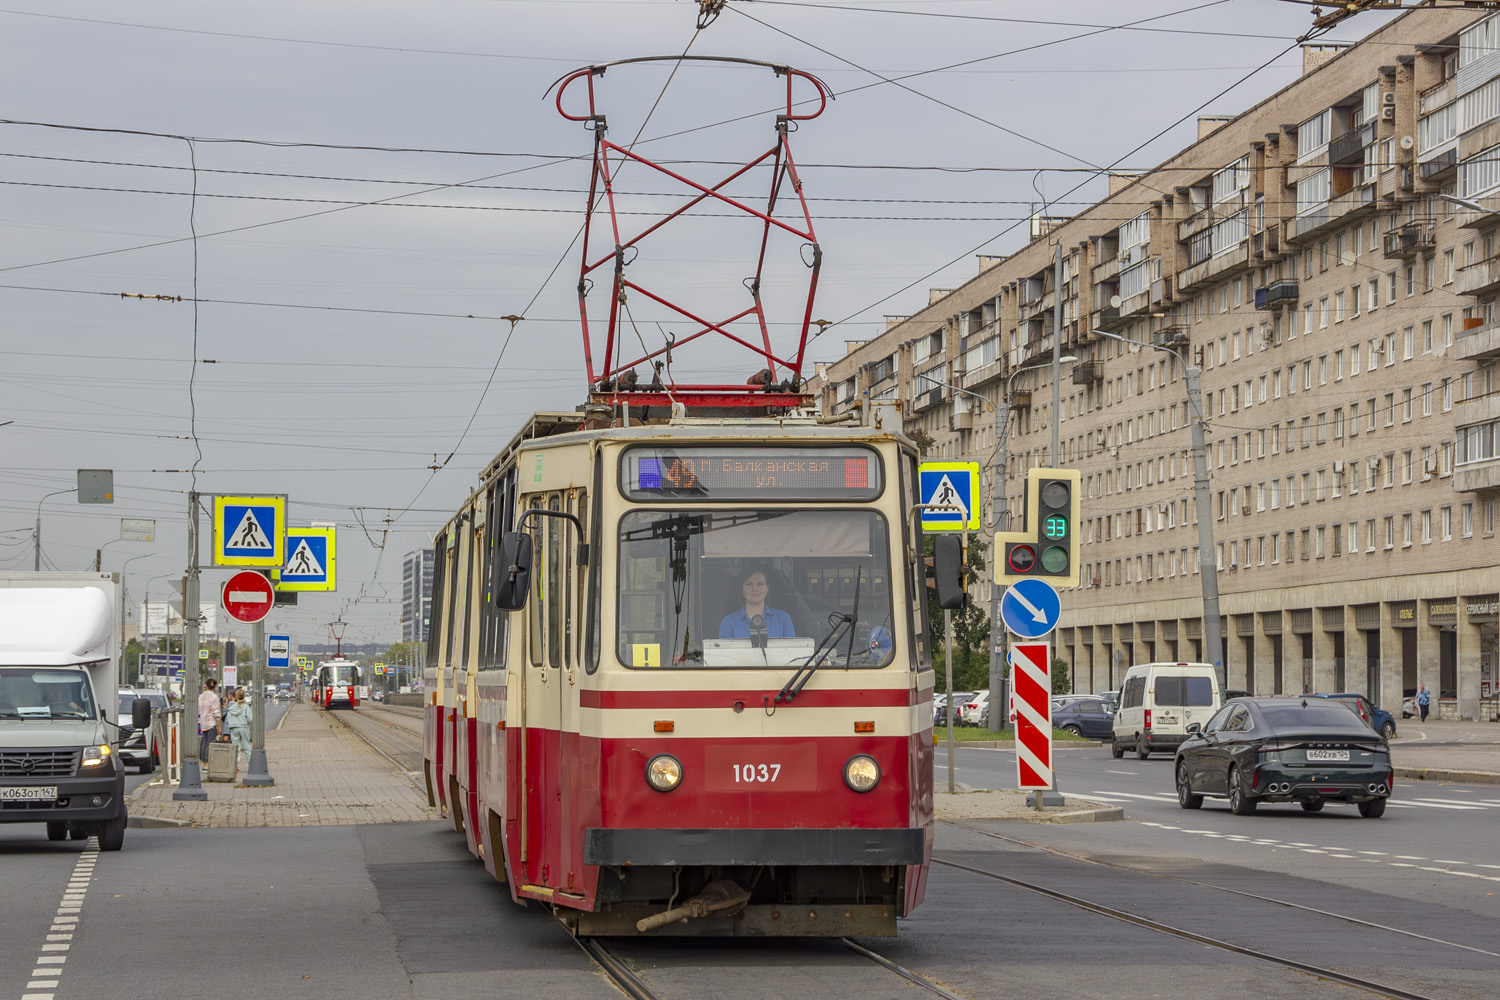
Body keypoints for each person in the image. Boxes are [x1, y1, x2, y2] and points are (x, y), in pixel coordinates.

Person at [719, 568, 796, 640]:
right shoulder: (729, 622)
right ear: (742, 589)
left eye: (760, 584)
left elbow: (792, 651)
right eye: (749, 584)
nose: (755, 588)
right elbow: (723, 653)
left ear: (767, 588)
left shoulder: (782, 618)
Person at [223, 688, 253, 770]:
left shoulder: (232, 707)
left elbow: (228, 719)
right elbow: (250, 719)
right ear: (244, 697)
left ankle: (236, 767)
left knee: (236, 748)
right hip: (244, 727)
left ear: (236, 696)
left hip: (234, 728)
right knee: (247, 747)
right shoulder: (246, 707)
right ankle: (251, 766)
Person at [197, 678, 221, 762]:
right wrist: (219, 726)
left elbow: (199, 710)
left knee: (204, 742)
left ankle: (203, 762)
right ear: (214, 687)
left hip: (203, 723)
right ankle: (207, 763)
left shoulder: (200, 697)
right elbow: (216, 713)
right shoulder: (214, 697)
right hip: (211, 723)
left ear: (206, 686)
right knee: (210, 743)